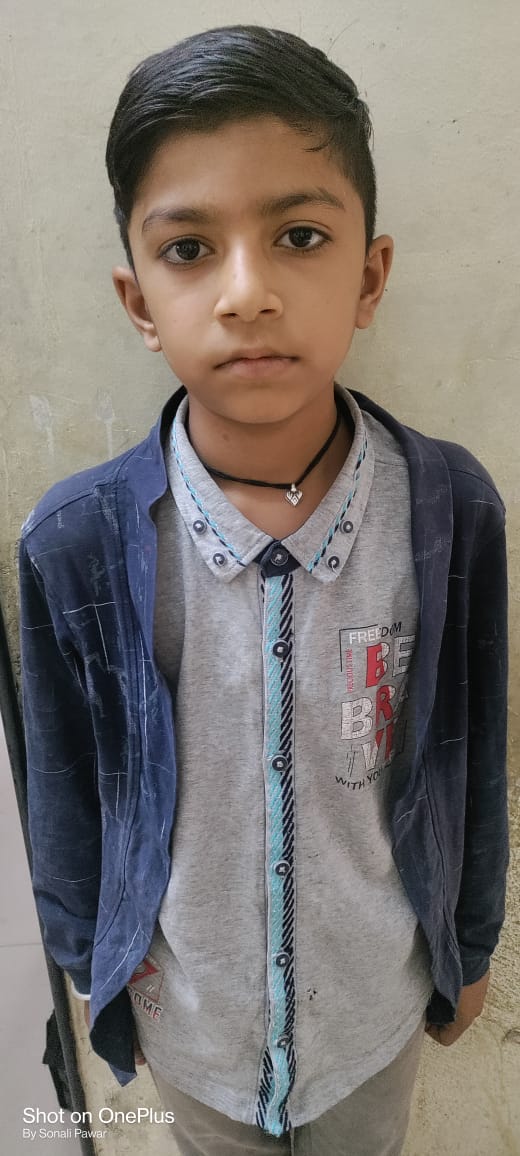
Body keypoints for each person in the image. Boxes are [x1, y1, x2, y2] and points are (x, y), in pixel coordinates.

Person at [18, 24, 509, 1156]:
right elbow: (66, 786)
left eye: (298, 236)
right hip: (189, 1028)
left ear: (369, 276)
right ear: (139, 301)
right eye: (190, 249)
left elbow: (471, 749)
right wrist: (92, 965)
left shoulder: (450, 510)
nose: (247, 293)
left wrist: (470, 944)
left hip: (374, 1020)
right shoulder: (75, 542)